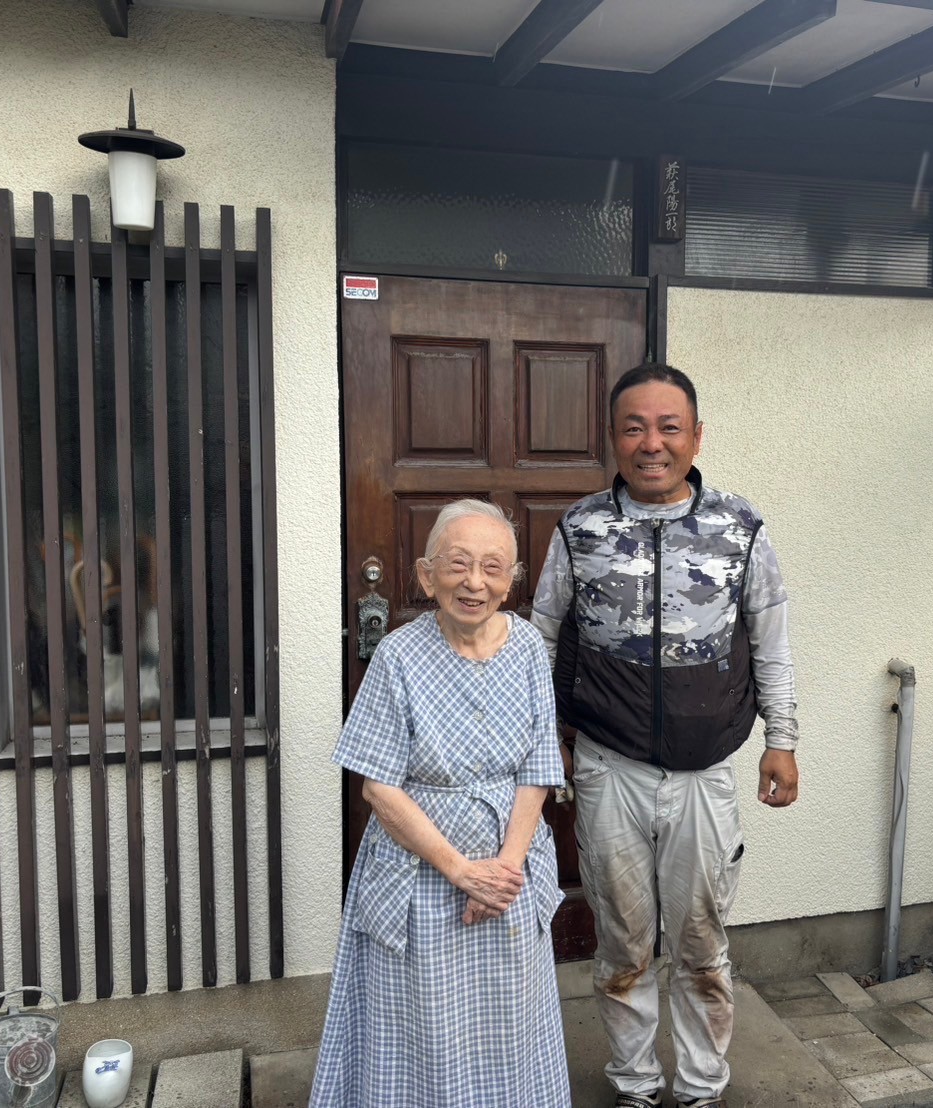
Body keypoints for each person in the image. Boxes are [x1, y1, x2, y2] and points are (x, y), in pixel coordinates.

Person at [531, 363, 799, 1108]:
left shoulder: (739, 528)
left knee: (701, 946)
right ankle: (635, 1085)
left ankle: (701, 1089)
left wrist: (783, 738)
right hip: (607, 766)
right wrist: (537, 737)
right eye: (633, 427)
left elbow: (771, 639)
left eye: (668, 426)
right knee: (622, 944)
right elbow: (541, 634)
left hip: (703, 773)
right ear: (613, 438)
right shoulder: (579, 528)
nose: (651, 443)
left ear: (695, 436)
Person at [310, 499, 570, 1108]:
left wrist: (502, 872)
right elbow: (378, 787)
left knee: (508, 1017)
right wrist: (461, 872)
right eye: (457, 564)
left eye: (491, 567)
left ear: (512, 580)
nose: (473, 582)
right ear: (428, 576)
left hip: (508, 876)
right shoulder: (398, 654)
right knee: (420, 1023)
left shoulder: (530, 646)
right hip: (421, 876)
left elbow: (537, 771)